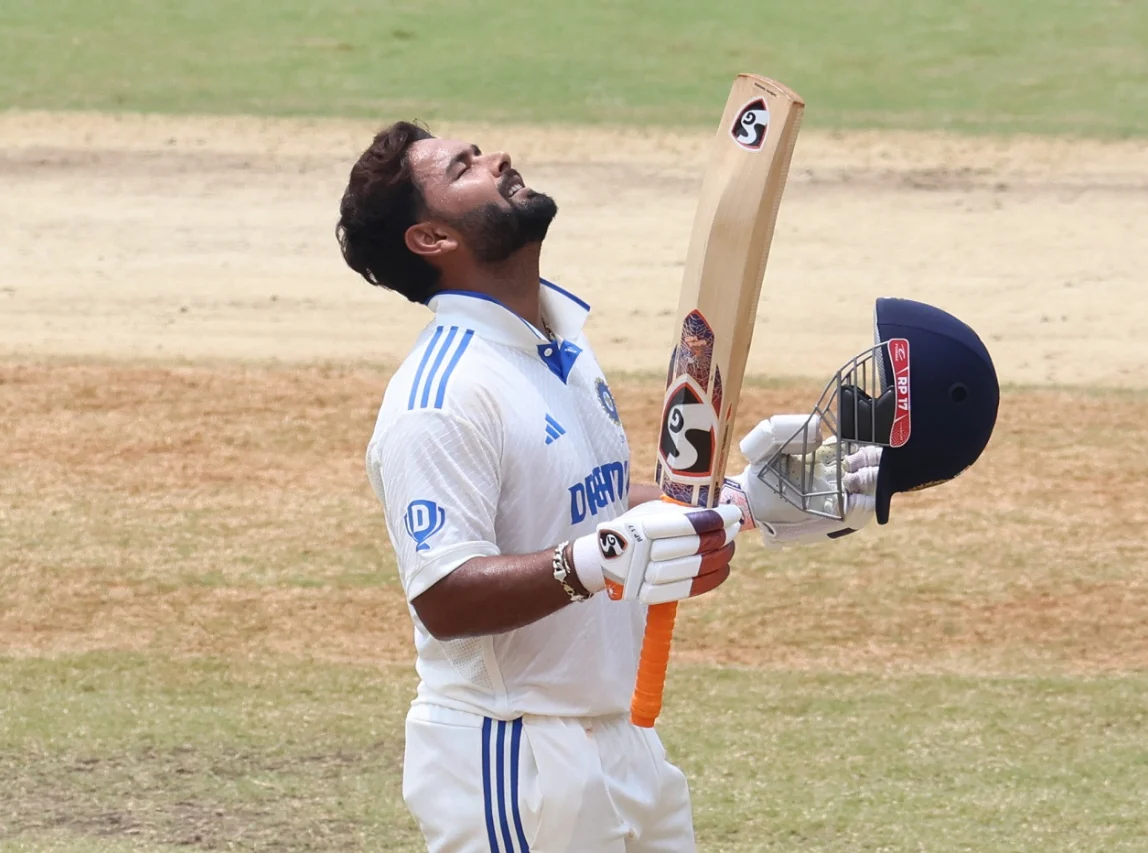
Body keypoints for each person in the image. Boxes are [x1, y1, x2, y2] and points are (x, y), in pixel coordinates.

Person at [336, 121, 884, 853]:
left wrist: (743, 500)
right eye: (464, 166)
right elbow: (443, 594)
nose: (496, 157)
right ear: (432, 239)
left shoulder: (560, 343)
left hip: (625, 743)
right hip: (517, 759)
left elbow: (591, 505)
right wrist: (592, 562)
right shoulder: (439, 397)